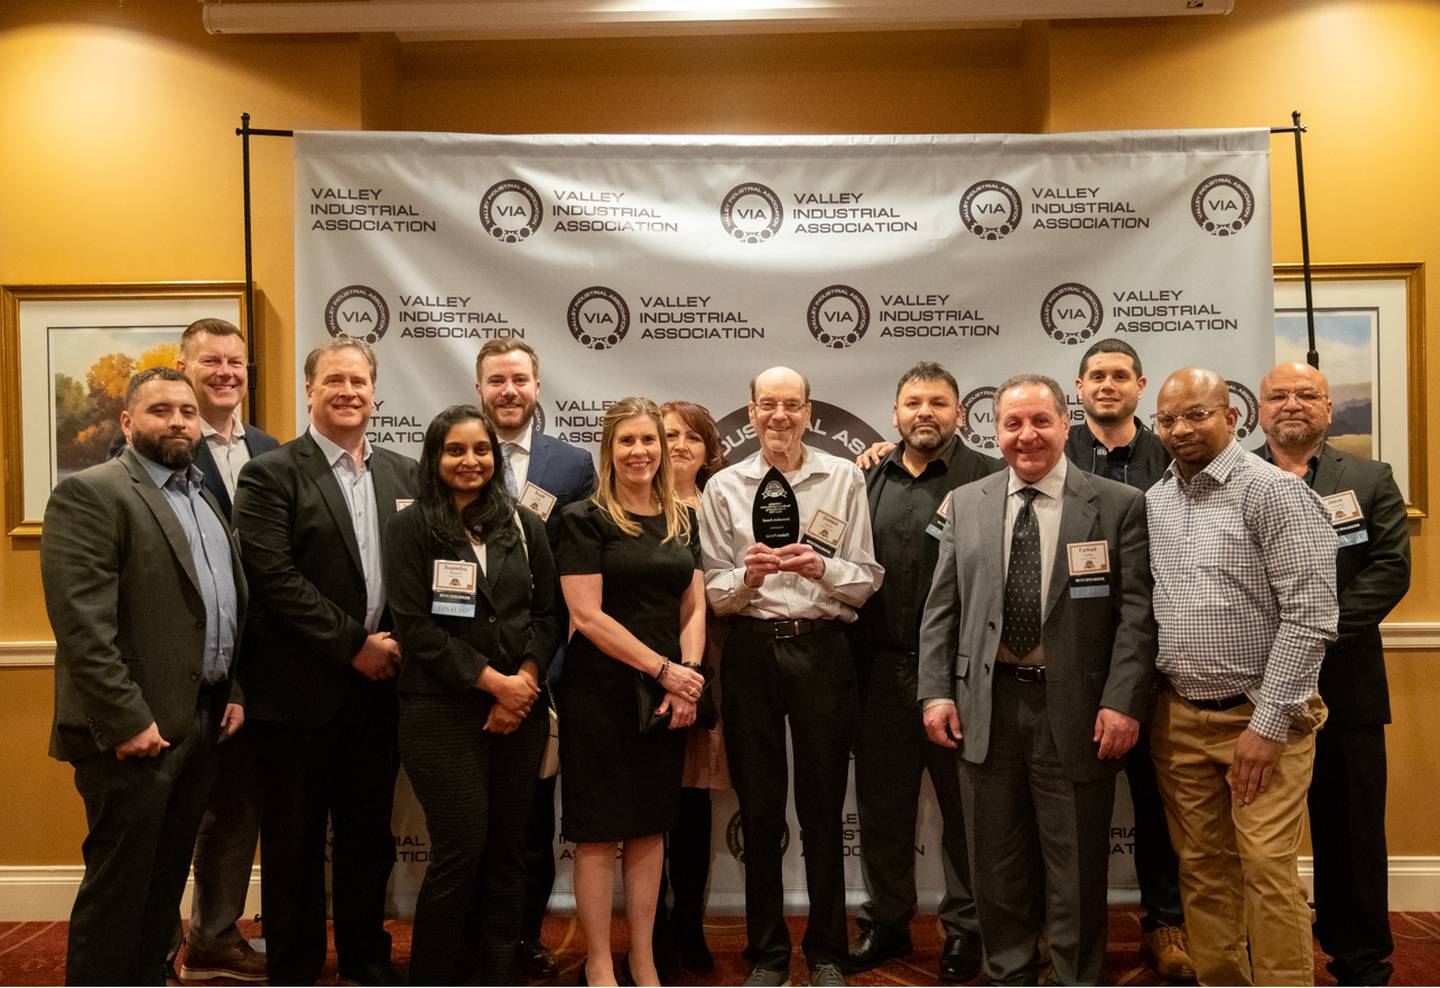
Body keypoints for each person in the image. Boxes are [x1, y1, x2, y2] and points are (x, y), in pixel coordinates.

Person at [917, 373, 1156, 986]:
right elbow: (942, 607)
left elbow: (1136, 614)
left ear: (1065, 423)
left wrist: (1123, 702)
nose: (1027, 436)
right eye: (1013, 423)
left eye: (1041, 421)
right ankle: (1009, 973)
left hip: (1076, 709)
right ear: (994, 431)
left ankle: (1076, 977)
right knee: (994, 864)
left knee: (1075, 865)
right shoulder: (967, 503)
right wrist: (937, 690)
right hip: (984, 704)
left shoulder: (1116, 504)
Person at [42, 367, 247, 985]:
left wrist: (232, 690)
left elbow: (220, 606)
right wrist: (127, 720)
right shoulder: (94, 493)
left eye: (187, 411)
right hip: (132, 733)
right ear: (128, 422)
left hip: (199, 720)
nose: (179, 422)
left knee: (163, 882)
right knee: (119, 888)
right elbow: (83, 625)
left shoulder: (203, 495)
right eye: (161, 411)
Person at [233, 339, 418, 986]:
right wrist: (355, 646)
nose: (348, 391)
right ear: (308, 390)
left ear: (375, 392)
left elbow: (419, 575)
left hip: (380, 696)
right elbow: (274, 578)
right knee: (293, 845)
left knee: (369, 842)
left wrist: (396, 648)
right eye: (333, 380)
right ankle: (294, 966)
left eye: (359, 380)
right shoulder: (271, 473)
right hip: (296, 696)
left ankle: (366, 958)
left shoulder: (404, 474)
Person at [1146, 367, 1337, 986]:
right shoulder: (1156, 501)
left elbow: (1311, 616)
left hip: (1262, 716)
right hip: (1178, 716)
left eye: (1196, 414)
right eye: (1169, 418)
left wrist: (1269, 720)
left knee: (1265, 868)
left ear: (1233, 417)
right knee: (1200, 868)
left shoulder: (1273, 492)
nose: (1181, 429)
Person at [700, 366, 883, 988]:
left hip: (823, 648)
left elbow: (864, 580)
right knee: (758, 809)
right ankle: (769, 953)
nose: (780, 416)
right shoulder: (723, 487)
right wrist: (745, 580)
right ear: (750, 413)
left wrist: (822, 571)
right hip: (750, 651)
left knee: (825, 806)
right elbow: (711, 590)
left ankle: (827, 950)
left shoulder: (843, 478)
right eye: (768, 405)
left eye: (792, 405)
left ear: (809, 411)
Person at [383, 405, 560, 985]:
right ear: (435, 458)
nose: (470, 461)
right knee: (461, 851)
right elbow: (416, 629)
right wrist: (496, 686)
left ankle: (499, 970)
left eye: (481, 450)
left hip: (522, 710)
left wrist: (525, 684)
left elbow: (548, 614)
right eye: (455, 450)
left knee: (510, 853)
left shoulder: (523, 523)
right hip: (441, 712)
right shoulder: (410, 527)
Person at [1256, 361, 1410, 986]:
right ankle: (1258, 951)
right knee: (1257, 840)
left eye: (1307, 395)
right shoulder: (1233, 476)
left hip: (1346, 687)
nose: (1292, 404)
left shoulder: (1370, 479)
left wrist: (1310, 634)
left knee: (1352, 836)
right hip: (1255, 689)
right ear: (1258, 408)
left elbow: (1389, 571)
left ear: (1327, 408)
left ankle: (1362, 959)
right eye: (1279, 395)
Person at [846, 363, 1000, 984]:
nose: (925, 412)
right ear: (894, 414)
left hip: (962, 676)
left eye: (939, 402)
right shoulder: (863, 479)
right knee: (883, 808)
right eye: (914, 402)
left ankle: (965, 929)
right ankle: (886, 920)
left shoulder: (989, 478)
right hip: (878, 671)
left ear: (961, 413)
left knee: (966, 812)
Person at [556, 397, 708, 987]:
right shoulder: (582, 519)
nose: (640, 452)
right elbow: (586, 616)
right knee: (598, 835)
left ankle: (642, 958)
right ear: (609, 450)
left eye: (650, 441)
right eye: (627, 442)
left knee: (649, 828)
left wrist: (688, 676)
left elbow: (693, 605)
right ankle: (599, 961)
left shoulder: (683, 520)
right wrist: (663, 670)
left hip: (669, 696)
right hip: (600, 693)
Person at [1066, 338, 1192, 979]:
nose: (1107, 385)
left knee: (1156, 805)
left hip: (1157, 661)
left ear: (1140, 386)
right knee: (1065, 811)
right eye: (1096, 376)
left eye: (1120, 376)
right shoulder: (1049, 454)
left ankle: (1166, 926)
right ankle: (1058, 930)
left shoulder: (1174, 457)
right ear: (1079, 388)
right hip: (1072, 662)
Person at [474, 338, 598, 979]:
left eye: (519, 378)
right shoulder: (456, 452)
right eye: (496, 380)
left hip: (546, 670)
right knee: (472, 825)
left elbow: (580, 575)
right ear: (480, 391)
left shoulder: (572, 466)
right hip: (469, 673)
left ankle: (523, 942)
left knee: (530, 827)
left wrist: (535, 672)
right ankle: (478, 946)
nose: (509, 390)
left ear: (537, 387)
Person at [166, 318, 276, 984]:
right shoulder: (167, 448)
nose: (227, 373)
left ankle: (213, 932)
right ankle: (160, 935)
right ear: (184, 368)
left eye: (236, 362)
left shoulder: (269, 448)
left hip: (261, 659)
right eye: (211, 362)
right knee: (177, 804)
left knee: (239, 804)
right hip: (188, 657)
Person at [653, 399, 731, 978]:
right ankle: (651, 930)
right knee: (649, 808)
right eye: (668, 434)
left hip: (713, 679)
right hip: (646, 676)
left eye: (691, 438)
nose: (678, 445)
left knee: (693, 805)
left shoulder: (723, 507)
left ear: (708, 451)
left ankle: (688, 926)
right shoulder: (631, 506)